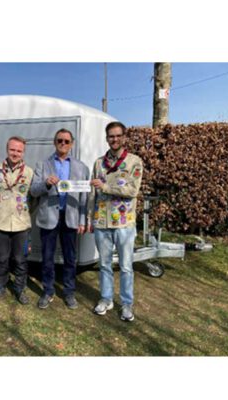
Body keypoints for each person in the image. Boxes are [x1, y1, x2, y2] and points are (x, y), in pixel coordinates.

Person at [87, 121, 143, 322]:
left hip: (124, 223)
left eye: (118, 135)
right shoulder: (98, 163)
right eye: (111, 136)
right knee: (104, 264)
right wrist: (89, 217)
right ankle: (106, 299)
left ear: (124, 137)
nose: (115, 139)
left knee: (126, 266)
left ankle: (126, 303)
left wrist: (106, 187)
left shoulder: (134, 161)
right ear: (107, 138)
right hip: (102, 222)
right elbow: (92, 194)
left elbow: (132, 190)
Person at [30, 129, 89, 310]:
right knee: (47, 257)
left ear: (72, 144)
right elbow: (33, 191)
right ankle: (48, 291)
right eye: (60, 140)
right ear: (54, 142)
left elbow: (84, 198)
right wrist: (46, 183)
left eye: (66, 141)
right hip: (49, 217)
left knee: (70, 258)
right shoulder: (42, 165)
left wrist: (82, 220)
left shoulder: (81, 167)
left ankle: (69, 292)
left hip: (70, 217)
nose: (63, 144)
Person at [0, 136, 35, 306]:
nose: (15, 153)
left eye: (19, 150)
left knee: (21, 260)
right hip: (1, 225)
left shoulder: (29, 173)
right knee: (0, 260)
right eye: (12, 149)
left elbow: (33, 198)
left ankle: (20, 289)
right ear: (7, 150)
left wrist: (24, 212)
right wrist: (1, 208)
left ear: (23, 152)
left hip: (22, 226)